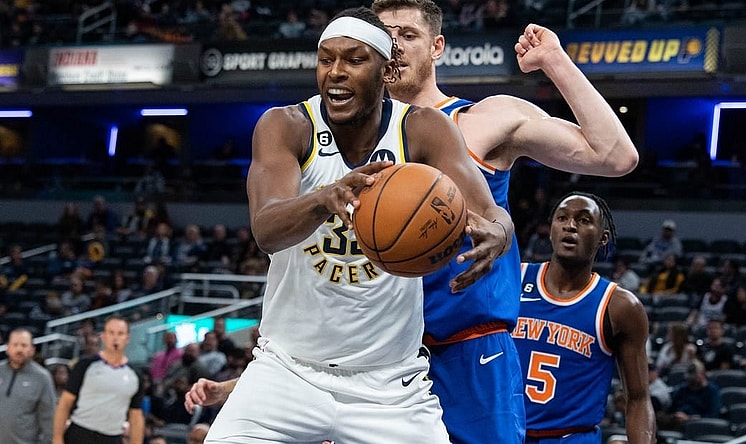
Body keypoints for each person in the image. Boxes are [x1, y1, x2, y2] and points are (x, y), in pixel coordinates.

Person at [186, 7, 513, 444]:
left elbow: (492, 213)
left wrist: (501, 232)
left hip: (391, 387)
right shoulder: (286, 126)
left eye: (354, 60)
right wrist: (324, 197)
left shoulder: (422, 129)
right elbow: (266, 230)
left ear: (387, 69)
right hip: (286, 373)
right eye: (326, 59)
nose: (335, 72)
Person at [370, 2, 639, 442]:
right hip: (378, 352)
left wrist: (554, 61)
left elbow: (616, 156)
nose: (395, 45)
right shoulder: (348, 138)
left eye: (408, 34)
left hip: (468, 350)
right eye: (385, 35)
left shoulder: (483, 119)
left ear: (437, 46)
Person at [511, 192, 655, 444]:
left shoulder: (620, 306)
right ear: (551, 229)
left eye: (583, 220)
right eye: (562, 218)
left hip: (569, 438)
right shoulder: (512, 279)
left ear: (603, 238)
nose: (570, 226)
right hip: (502, 433)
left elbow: (639, 399)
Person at [53, 316, 145, 444]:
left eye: (120, 333)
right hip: (79, 433)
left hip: (112, 437)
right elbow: (64, 404)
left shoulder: (135, 375)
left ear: (127, 338)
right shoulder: (85, 365)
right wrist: (57, 438)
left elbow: (136, 417)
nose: (115, 337)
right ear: (103, 336)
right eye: (111, 332)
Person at [0, 328, 57, 444]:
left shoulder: (42, 377)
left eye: (24, 345)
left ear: (32, 350)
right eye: (15, 345)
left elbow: (48, 417)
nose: (19, 349)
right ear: (7, 348)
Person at [657, 359, 722, 433]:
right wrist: (675, 415)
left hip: (696, 422)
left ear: (702, 375)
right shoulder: (683, 389)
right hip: (677, 418)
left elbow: (713, 415)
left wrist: (688, 418)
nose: (692, 382)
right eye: (690, 379)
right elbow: (671, 408)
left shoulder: (712, 391)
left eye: (695, 379)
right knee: (658, 417)